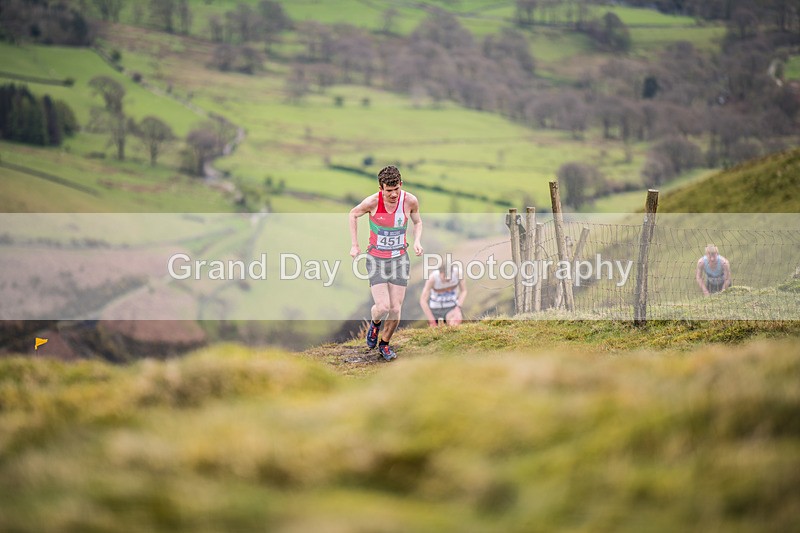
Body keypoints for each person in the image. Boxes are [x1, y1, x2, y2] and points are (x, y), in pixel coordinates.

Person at [349, 165, 423, 361]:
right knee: (382, 307)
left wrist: (416, 241)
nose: (393, 194)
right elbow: (353, 214)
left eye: (396, 189)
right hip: (377, 259)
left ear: (401, 184)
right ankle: (374, 324)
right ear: (381, 189)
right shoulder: (372, 202)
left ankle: (385, 344)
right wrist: (355, 245)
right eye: (388, 191)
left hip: (399, 259)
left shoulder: (410, 201)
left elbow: (417, 222)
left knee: (396, 308)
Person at [420, 262, 467, 327]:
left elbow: (464, 291)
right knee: (436, 332)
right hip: (435, 309)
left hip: (452, 307)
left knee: (454, 325)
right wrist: (432, 320)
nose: (447, 279)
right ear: (440, 273)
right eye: (444, 276)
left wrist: (458, 308)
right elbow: (423, 300)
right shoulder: (432, 278)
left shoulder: (458, 274)